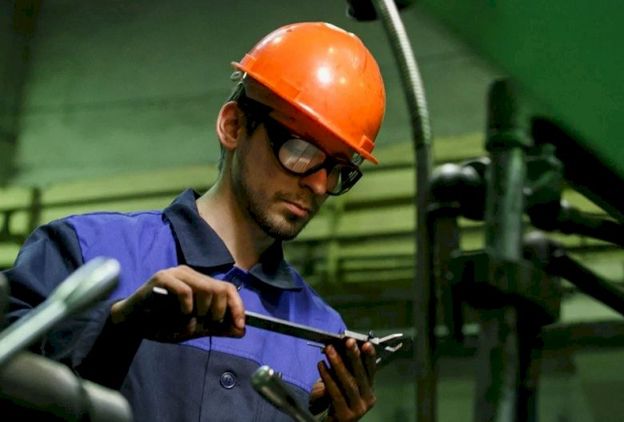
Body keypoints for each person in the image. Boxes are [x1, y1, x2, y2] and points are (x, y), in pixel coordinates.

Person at [3, 21, 386, 421]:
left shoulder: (321, 336)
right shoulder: (83, 253)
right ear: (233, 126)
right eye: (301, 152)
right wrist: (118, 329)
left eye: (338, 168)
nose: (320, 185)